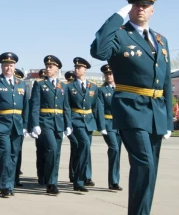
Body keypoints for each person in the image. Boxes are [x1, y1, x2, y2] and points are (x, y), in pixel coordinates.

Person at [90, 0, 172, 215]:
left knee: (147, 175)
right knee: (144, 167)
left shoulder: (161, 40)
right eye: (136, 4)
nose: (141, 9)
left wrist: (169, 119)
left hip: (156, 113)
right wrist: (116, 16)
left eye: (146, 5)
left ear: (153, 9)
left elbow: (167, 82)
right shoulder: (119, 35)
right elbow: (98, 51)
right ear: (130, 8)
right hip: (130, 109)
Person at [28, 56, 72, 195]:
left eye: (51, 67)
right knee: (52, 149)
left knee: (57, 153)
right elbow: (35, 105)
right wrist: (35, 124)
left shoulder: (62, 86)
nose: (48, 69)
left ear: (57, 68)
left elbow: (66, 107)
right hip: (45, 121)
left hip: (58, 122)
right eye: (47, 66)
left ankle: (52, 180)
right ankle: (50, 182)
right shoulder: (40, 84)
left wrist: (68, 124)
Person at [0, 52, 29, 197]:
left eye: (11, 65)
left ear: (14, 67)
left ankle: (10, 184)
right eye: (6, 65)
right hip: (1, 123)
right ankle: (4, 184)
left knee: (14, 155)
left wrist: (25, 125)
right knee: (4, 153)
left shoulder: (21, 83)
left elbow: (26, 106)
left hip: (17, 124)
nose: (8, 68)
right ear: (1, 66)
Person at [66, 57, 103, 192]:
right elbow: (67, 107)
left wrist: (101, 125)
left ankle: (81, 176)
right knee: (85, 145)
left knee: (84, 149)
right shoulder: (69, 86)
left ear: (85, 70)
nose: (76, 69)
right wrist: (68, 124)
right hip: (76, 120)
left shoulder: (93, 86)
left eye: (79, 68)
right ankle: (79, 180)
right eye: (75, 67)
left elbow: (97, 107)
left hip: (89, 121)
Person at [97, 64, 123, 191]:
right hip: (108, 124)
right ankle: (113, 181)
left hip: (120, 124)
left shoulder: (121, 88)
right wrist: (101, 126)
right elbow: (100, 108)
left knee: (117, 152)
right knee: (114, 149)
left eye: (110, 73)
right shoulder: (102, 91)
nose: (108, 76)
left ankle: (115, 181)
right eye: (106, 74)